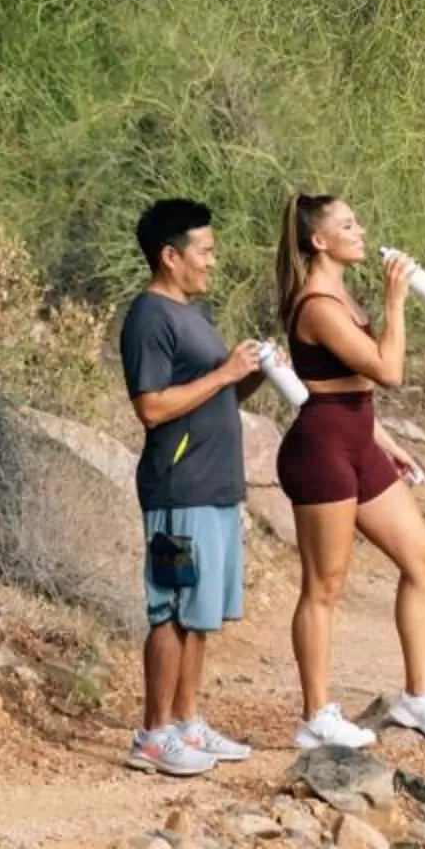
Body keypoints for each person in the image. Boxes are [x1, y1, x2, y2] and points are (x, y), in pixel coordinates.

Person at [271, 192, 425, 749]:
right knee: (325, 586)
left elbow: (344, 386)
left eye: (358, 222)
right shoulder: (318, 305)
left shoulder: (337, 293)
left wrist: (383, 441)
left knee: (423, 559)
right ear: (319, 241)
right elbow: (389, 370)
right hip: (321, 452)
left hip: (357, 442)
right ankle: (316, 717)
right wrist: (396, 300)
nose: (360, 232)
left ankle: (418, 698)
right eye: (348, 225)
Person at [120, 198, 265, 777]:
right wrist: (225, 374)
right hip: (178, 491)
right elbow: (152, 408)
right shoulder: (150, 317)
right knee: (172, 608)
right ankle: (153, 734)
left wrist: (245, 377)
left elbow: (211, 393)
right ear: (170, 256)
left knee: (200, 612)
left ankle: (185, 720)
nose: (212, 261)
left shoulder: (191, 314)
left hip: (215, 488)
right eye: (204, 251)